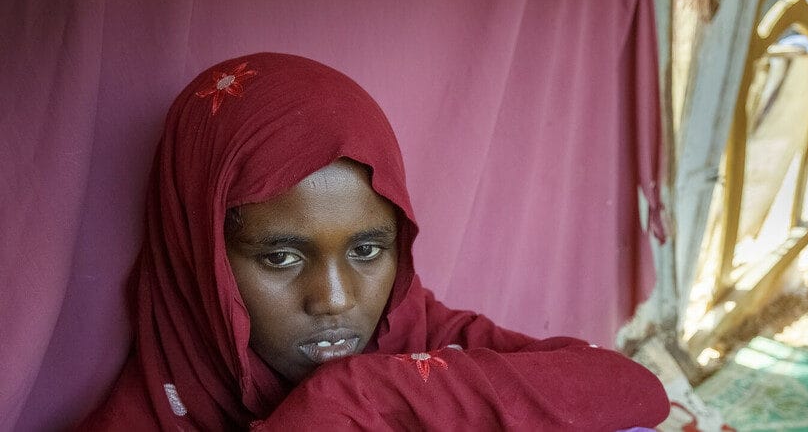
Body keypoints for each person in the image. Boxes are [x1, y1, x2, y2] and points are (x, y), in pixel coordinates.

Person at [82, 53, 670, 430]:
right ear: (195, 256)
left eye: (367, 250)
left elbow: (632, 388)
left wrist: (354, 395)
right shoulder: (150, 416)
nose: (337, 300)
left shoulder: (413, 332)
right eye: (281, 257)